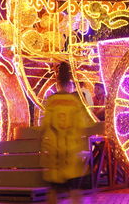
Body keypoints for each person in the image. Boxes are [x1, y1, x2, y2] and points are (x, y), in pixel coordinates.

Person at [40, 62, 103, 204]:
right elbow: (81, 126)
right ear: (70, 84)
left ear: (57, 83)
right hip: (70, 152)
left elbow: (45, 125)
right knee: (74, 190)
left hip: (55, 153)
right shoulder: (73, 102)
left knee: (54, 191)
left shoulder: (51, 101)